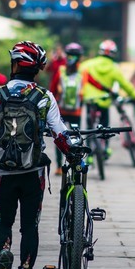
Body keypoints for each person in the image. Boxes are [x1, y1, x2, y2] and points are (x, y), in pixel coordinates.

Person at [0, 41, 71, 269]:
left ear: (14, 64)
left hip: (1, 173)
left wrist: (0, 137)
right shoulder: (43, 96)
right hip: (32, 171)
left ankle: (4, 250)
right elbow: (60, 132)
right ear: (37, 69)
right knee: (30, 226)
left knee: (1, 220)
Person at [79, 39, 135, 154]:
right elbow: (124, 84)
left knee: (89, 127)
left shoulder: (88, 64)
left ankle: (89, 154)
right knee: (105, 126)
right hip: (105, 101)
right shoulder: (114, 68)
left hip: (90, 100)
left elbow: (78, 71)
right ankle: (105, 148)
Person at [50, 42, 86, 173]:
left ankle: (60, 166)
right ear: (80, 57)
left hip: (61, 110)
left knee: (60, 137)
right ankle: (77, 164)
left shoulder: (61, 70)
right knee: (77, 137)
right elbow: (91, 86)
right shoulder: (83, 72)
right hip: (76, 111)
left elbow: (52, 90)